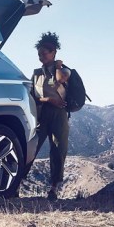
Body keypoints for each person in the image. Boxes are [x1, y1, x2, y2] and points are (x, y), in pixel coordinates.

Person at [31, 31, 70, 201]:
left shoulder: (64, 70)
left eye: (44, 53)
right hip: (41, 113)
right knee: (31, 148)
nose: (41, 57)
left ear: (53, 51)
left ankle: (54, 188)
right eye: (39, 54)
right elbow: (33, 95)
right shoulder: (36, 74)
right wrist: (47, 99)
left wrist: (58, 66)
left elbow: (61, 80)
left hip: (59, 114)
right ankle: (15, 184)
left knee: (58, 150)